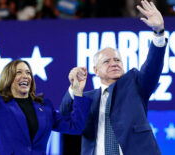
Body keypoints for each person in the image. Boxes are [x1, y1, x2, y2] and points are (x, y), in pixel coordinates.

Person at [59, 0, 167, 155]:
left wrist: (159, 33)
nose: (114, 63)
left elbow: (152, 67)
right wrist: (74, 88)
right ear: (95, 70)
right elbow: (64, 118)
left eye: (117, 60)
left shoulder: (135, 83)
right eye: (107, 61)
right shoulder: (86, 99)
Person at [0, 36, 91, 155]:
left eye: (28, 73)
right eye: (19, 72)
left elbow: (75, 127)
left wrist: (77, 91)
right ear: (8, 78)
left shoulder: (44, 106)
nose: (25, 76)